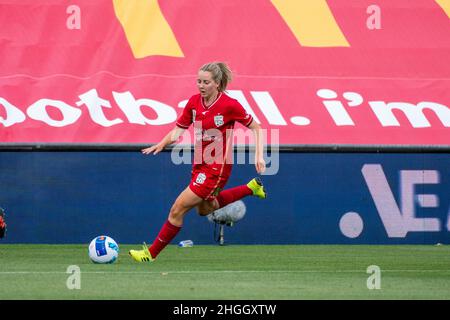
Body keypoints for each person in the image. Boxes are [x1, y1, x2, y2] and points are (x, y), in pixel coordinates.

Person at [129, 62, 267, 262]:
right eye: (198, 81)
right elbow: (178, 129)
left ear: (217, 84)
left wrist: (258, 155)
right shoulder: (194, 102)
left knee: (178, 208)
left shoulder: (229, 105)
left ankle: (150, 254)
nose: (201, 85)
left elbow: (257, 127)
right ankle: (251, 188)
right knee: (204, 210)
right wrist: (161, 143)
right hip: (200, 163)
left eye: (206, 82)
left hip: (217, 167)